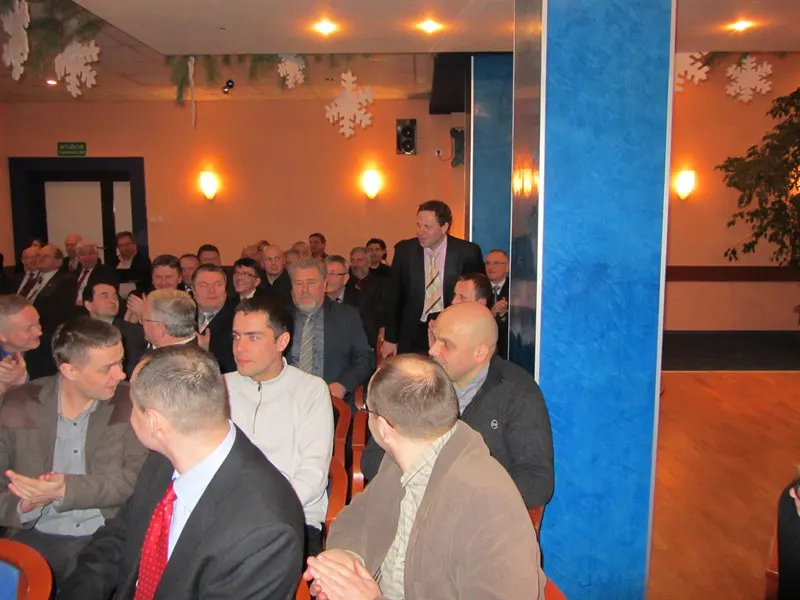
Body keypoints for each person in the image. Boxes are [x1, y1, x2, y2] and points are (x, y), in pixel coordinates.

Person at [59, 345, 306, 600]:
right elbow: (120, 535)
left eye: (133, 406)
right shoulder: (166, 458)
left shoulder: (264, 535)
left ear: (154, 423)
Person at [304, 354, 545, 600]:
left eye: (369, 411)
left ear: (384, 428)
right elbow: (358, 516)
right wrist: (346, 561)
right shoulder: (399, 460)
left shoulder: (488, 505)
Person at [0, 318, 148, 587]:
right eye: (107, 368)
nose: (121, 375)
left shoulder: (131, 403)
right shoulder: (18, 405)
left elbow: (137, 481)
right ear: (69, 370)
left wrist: (64, 490)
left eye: (120, 362)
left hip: (103, 536)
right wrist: (23, 505)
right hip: (33, 532)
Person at [363, 302, 554, 509]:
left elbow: (537, 480)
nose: (432, 350)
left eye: (446, 344)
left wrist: (466, 501)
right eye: (435, 338)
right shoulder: (417, 382)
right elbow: (373, 458)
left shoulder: (518, 393)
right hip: (408, 507)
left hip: (477, 517)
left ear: (479, 353)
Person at [225, 296, 333, 558]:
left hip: (290, 514)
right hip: (225, 516)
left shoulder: (310, 390)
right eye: (236, 337)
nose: (239, 348)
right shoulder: (219, 388)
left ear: (282, 342)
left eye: (253, 337)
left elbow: (313, 473)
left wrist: (264, 509)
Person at [383, 200, 484, 356]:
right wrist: (390, 337)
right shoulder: (405, 251)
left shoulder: (467, 252)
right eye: (418, 225)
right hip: (412, 332)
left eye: (427, 227)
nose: (420, 231)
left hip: (452, 331)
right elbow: (394, 295)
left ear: (444, 227)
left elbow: (478, 294)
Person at [287, 259, 373, 405]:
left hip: (333, 401)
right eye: (299, 283)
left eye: (311, 283)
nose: (304, 290)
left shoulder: (347, 316)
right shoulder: (279, 317)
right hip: (287, 400)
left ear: (324, 284)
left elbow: (364, 359)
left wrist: (343, 385)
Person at [0, 296, 42, 395]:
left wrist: (21, 380)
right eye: (28, 329)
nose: (39, 332)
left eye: (37, 322)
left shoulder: (53, 351)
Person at [485, 249, 510, 359]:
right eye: (487, 263)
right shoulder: (479, 288)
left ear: (507, 267)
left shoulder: (515, 289)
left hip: (507, 349)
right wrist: (492, 312)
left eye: (496, 263)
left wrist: (503, 314)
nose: (491, 267)